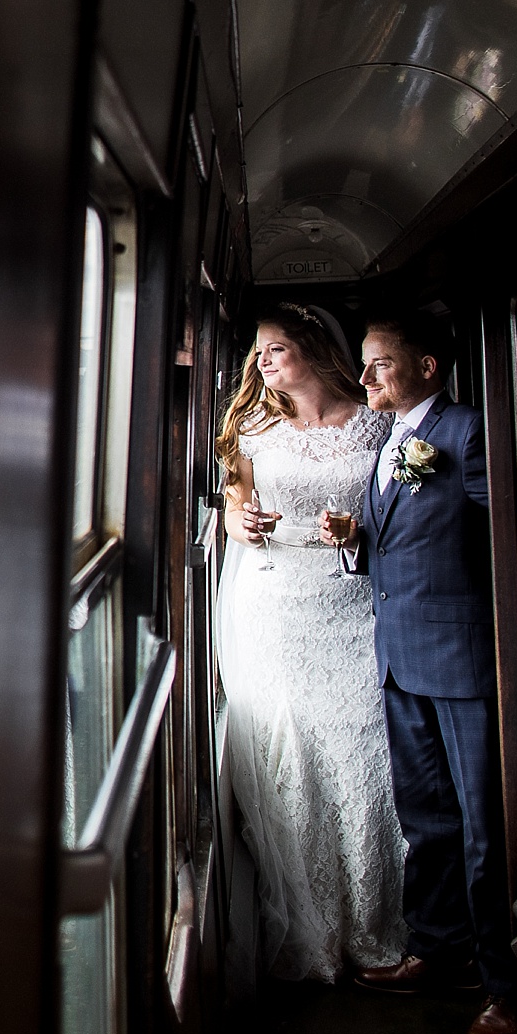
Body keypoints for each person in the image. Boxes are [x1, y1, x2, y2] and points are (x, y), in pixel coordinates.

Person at [215, 304, 404, 985]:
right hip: (277, 609)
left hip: (354, 607)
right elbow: (234, 508)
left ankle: (375, 924)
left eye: (278, 349)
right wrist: (249, 524)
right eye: (259, 352)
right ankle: (316, 933)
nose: (264, 362)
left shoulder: (379, 423)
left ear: (316, 349)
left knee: (363, 754)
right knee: (295, 758)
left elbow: (399, 515)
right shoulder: (253, 427)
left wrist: (358, 534)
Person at [350, 313, 517, 1034]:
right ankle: (438, 951)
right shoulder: (387, 439)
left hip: (461, 661)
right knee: (425, 816)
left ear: (426, 366)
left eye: (378, 366)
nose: (364, 380)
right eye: (363, 365)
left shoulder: (467, 433)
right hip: (399, 655)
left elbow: (508, 538)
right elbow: (393, 534)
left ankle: (507, 990)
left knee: (488, 831)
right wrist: (354, 538)